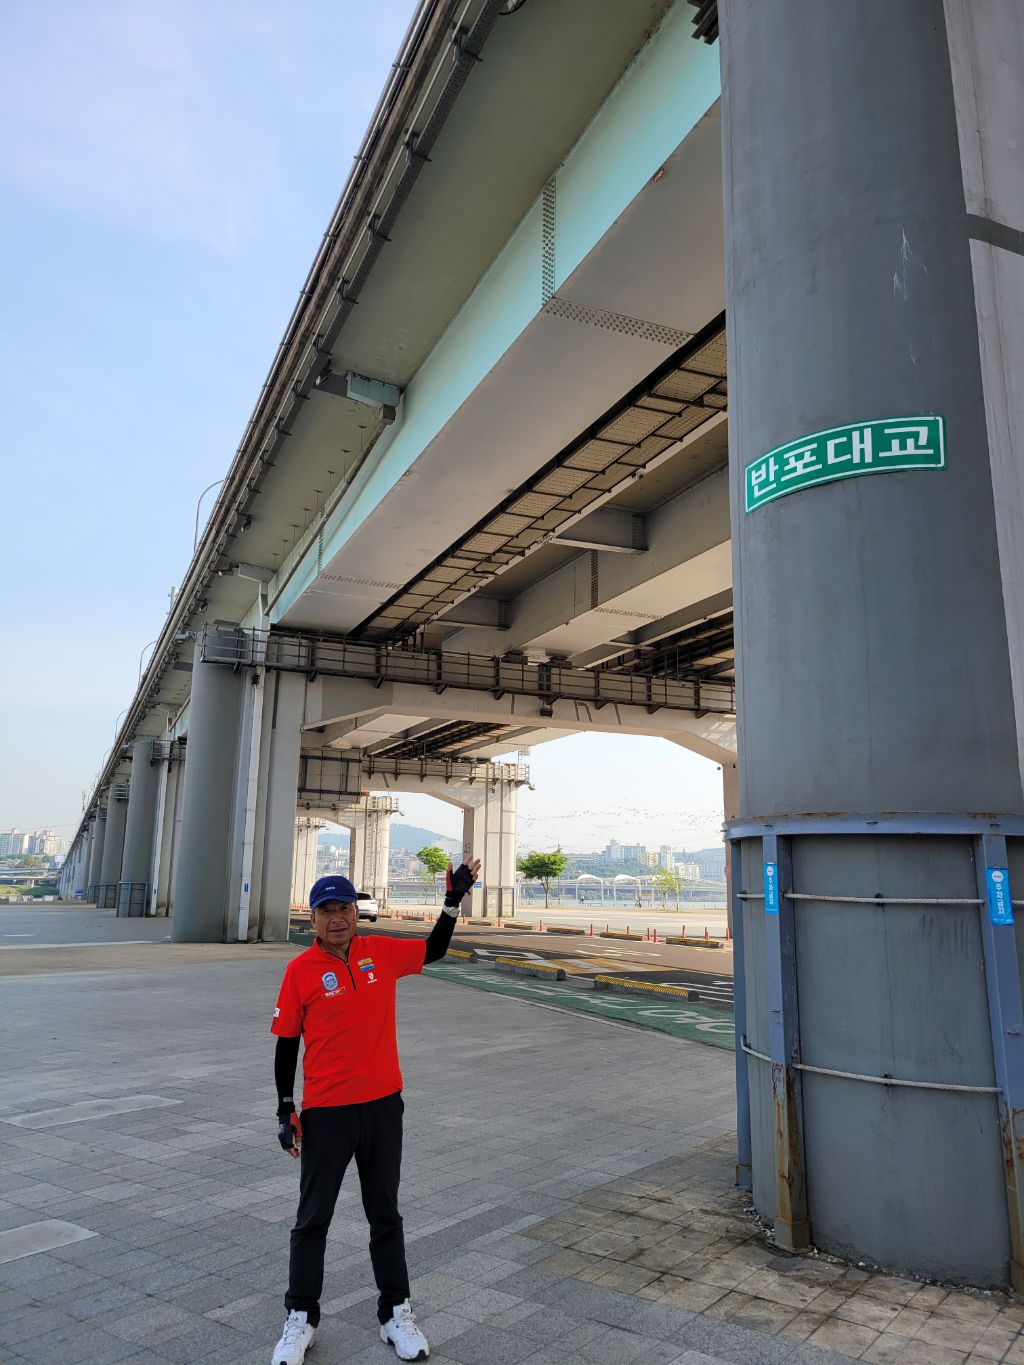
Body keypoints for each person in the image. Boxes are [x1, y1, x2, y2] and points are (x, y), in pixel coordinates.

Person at [269, 856, 480, 1365]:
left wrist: (452, 901)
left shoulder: (380, 953)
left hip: (383, 1106)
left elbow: (434, 950)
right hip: (327, 1113)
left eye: (345, 908)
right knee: (312, 1219)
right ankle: (301, 1318)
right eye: (327, 910)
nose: (338, 918)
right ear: (313, 919)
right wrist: (285, 1109)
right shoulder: (299, 971)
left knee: (385, 1214)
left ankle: (396, 1313)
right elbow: (286, 1043)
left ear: (356, 913)